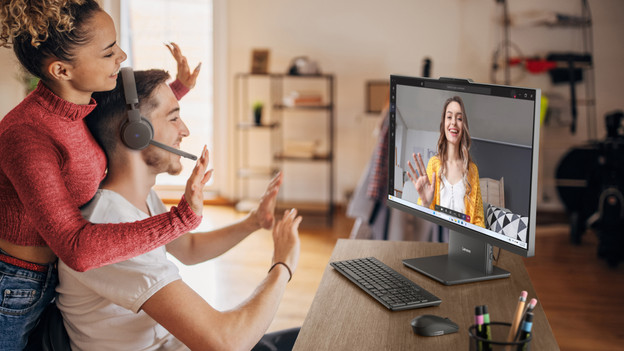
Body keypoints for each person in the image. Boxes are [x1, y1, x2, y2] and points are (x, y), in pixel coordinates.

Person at [0, 1, 203, 348]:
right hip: (14, 290)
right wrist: (179, 219)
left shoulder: (78, 104)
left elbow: (118, 126)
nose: (122, 56)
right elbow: (76, 248)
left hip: (46, 281)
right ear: (62, 70)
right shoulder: (26, 135)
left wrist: (174, 96)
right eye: (109, 53)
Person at [56, 69, 302, 351]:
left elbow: (190, 248)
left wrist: (253, 222)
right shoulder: (110, 227)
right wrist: (283, 265)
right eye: (173, 118)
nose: (185, 130)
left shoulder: (138, 201)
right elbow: (227, 343)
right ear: (136, 132)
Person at [407, 96, 485, 228]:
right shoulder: (434, 164)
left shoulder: (472, 170)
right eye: (449, 117)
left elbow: (478, 219)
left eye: (459, 118)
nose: (454, 122)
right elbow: (424, 222)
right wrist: (425, 204)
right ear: (444, 123)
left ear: (464, 125)